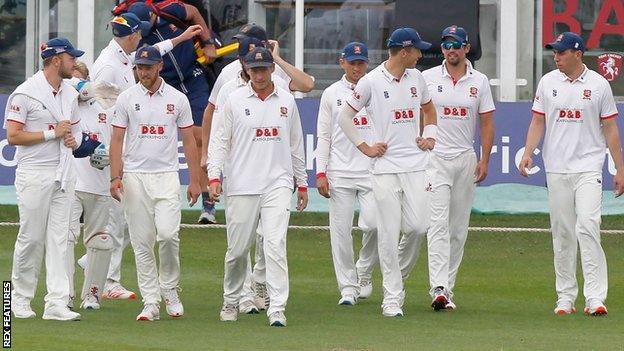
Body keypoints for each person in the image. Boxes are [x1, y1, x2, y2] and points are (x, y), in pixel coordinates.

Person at [90, 12, 201, 301]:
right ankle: (109, 279)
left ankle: (105, 271)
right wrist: (114, 161)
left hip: (143, 160)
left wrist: (182, 38)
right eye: (139, 33)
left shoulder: (130, 58)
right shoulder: (107, 66)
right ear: (129, 36)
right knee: (117, 221)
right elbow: (103, 111)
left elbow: (155, 54)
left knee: (140, 228)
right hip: (118, 152)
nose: (142, 36)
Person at [519, 32, 624, 316]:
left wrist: (620, 167)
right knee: (563, 232)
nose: (556, 57)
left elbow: (611, 129)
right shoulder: (547, 82)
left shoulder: (599, 85)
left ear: (577, 54)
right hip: (557, 168)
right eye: (554, 52)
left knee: (588, 226)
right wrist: (528, 151)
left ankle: (595, 297)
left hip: (589, 167)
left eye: (561, 53)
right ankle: (565, 296)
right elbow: (537, 121)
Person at [337, 27, 437, 317]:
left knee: (418, 227)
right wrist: (365, 146)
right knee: (389, 232)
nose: (420, 54)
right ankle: (392, 296)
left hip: (416, 165)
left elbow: (429, 111)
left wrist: (429, 135)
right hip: (384, 169)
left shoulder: (417, 78)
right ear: (404, 51)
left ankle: (397, 280)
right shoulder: (370, 82)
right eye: (417, 50)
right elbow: (345, 117)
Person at [397, 25, 495, 311]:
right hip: (435, 158)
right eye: (447, 45)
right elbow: (417, 111)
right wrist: (419, 140)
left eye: (457, 45)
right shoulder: (426, 77)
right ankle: (438, 287)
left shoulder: (480, 81)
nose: (451, 50)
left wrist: (485, 158)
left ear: (466, 49)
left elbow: (487, 122)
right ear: (441, 49)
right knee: (436, 224)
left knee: (457, 229)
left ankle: (447, 288)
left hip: (465, 158)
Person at [208, 47, 308, 327]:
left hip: (277, 183)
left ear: (272, 70)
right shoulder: (234, 100)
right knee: (238, 250)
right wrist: (214, 176)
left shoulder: (287, 101)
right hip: (241, 184)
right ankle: (231, 298)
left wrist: (302, 183)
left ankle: (277, 307)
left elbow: (295, 144)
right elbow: (219, 142)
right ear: (247, 71)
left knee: (275, 244)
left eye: (264, 69)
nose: (260, 74)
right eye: (255, 70)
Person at [109, 46, 202, 321]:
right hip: (135, 176)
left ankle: (170, 289)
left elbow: (189, 141)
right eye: (139, 67)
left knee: (168, 235)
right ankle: (150, 301)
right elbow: (116, 140)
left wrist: (195, 181)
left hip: (166, 176)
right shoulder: (126, 98)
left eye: (148, 67)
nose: (143, 72)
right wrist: (115, 177)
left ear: (159, 66)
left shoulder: (178, 99)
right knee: (141, 241)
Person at [199, 23, 315, 224]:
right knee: (240, 241)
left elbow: (307, 85)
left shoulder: (275, 72)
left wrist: (276, 59)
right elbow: (211, 112)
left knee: (271, 236)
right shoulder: (228, 74)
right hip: (240, 165)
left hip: (273, 168)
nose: (241, 48)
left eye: (244, 42)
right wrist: (205, 154)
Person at [5, 37, 85, 321]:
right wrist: (52, 134)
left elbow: (73, 132)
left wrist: (74, 140)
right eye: (71, 58)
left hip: (64, 174)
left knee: (60, 240)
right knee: (32, 238)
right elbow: (13, 136)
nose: (74, 62)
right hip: (34, 174)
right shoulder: (25, 93)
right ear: (56, 60)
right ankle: (19, 299)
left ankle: (56, 303)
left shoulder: (69, 93)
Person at [127, 1, 218, 225]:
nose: (143, 34)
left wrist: (207, 42)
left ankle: (209, 203)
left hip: (193, 77)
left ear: (153, 15)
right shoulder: (137, 33)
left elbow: (195, 12)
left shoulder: (171, 10)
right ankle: (153, 198)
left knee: (199, 137)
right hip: (167, 85)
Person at [315, 42, 379, 305]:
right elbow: (324, 134)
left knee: (375, 224)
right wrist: (321, 171)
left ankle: (363, 271)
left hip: (372, 170)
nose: (356, 68)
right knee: (340, 232)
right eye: (352, 63)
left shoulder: (375, 87)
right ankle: (348, 288)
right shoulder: (331, 94)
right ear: (342, 62)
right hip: (340, 171)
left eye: (361, 63)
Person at [66, 66, 120, 311]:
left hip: (98, 186)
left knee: (101, 241)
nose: (77, 85)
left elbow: (116, 147)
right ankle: (65, 294)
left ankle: (92, 296)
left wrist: (107, 157)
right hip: (71, 184)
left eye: (80, 78)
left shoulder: (104, 111)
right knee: (65, 239)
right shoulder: (64, 106)